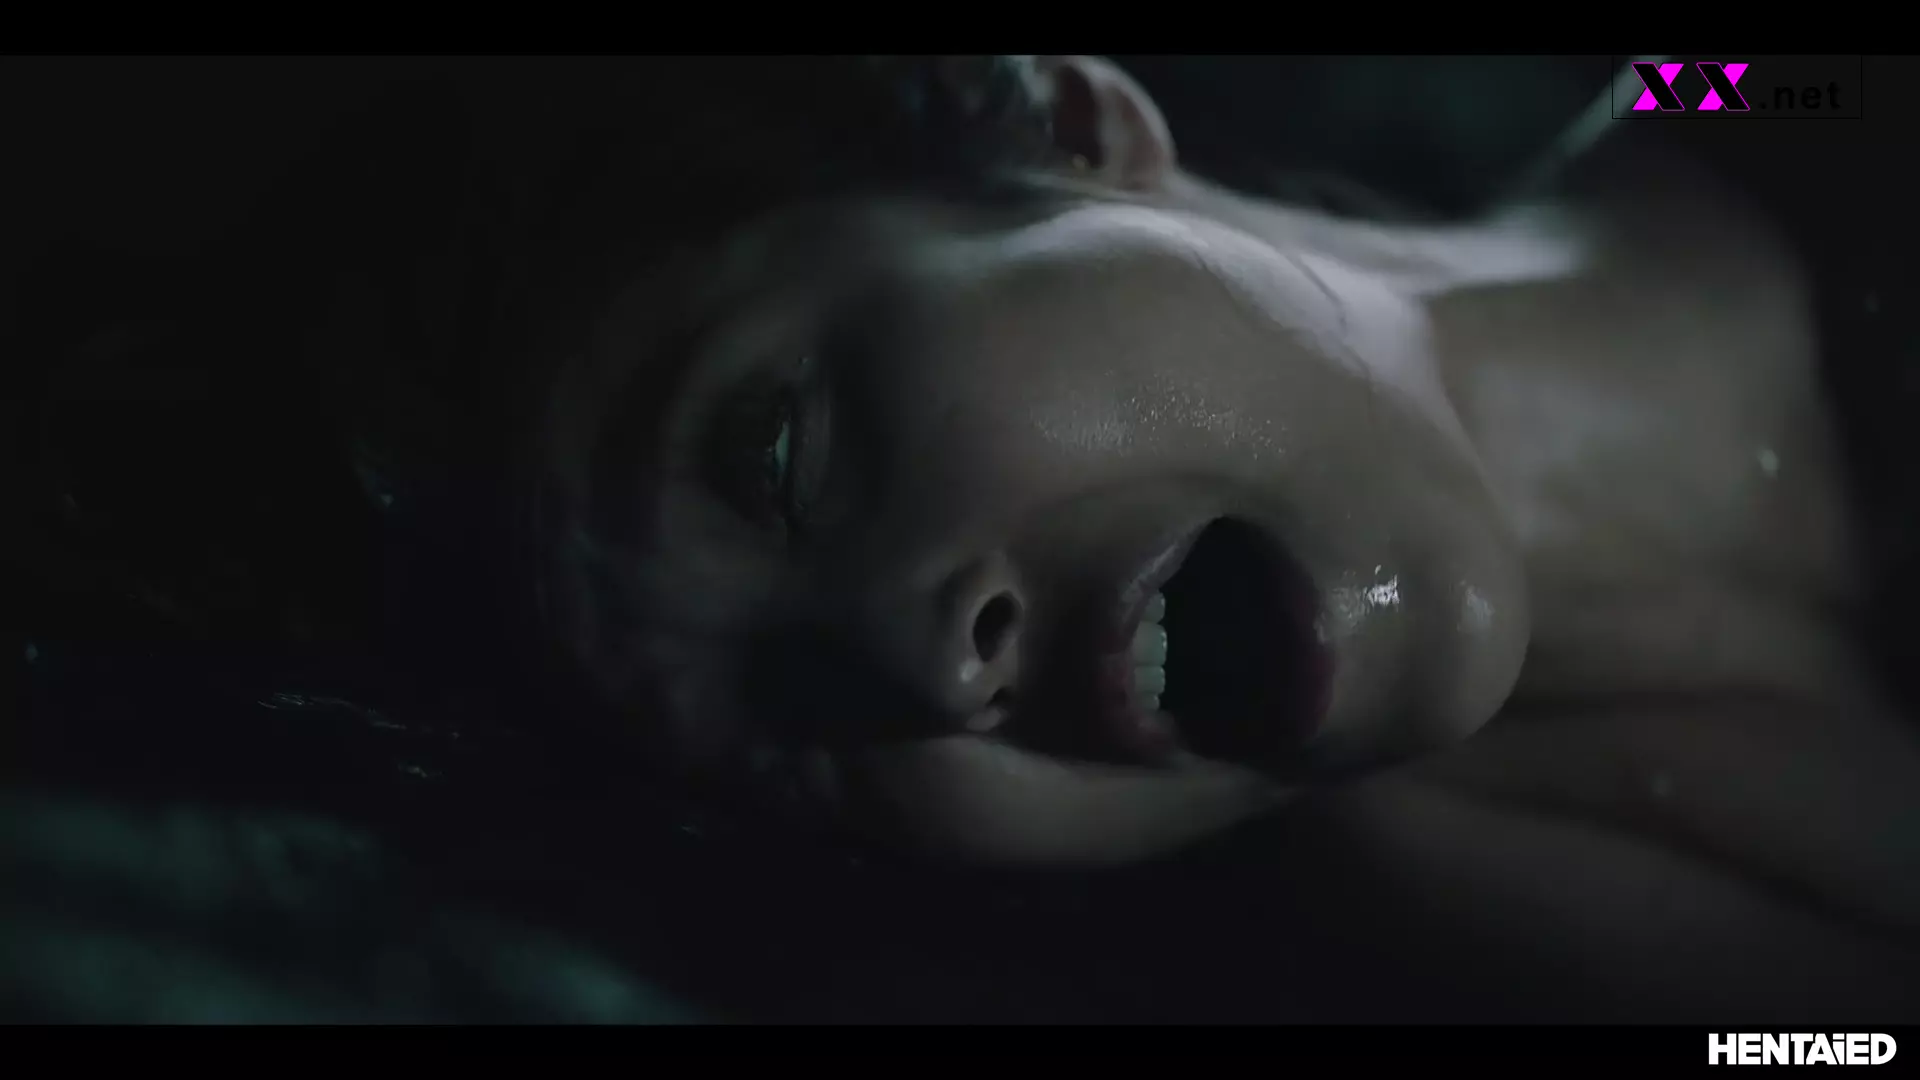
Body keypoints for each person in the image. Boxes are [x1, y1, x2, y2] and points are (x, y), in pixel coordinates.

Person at [20, 55, 1920, 1021]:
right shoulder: (1473, 903)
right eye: (799, 738)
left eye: (777, 457)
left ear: (1056, 117)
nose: (919, 668)